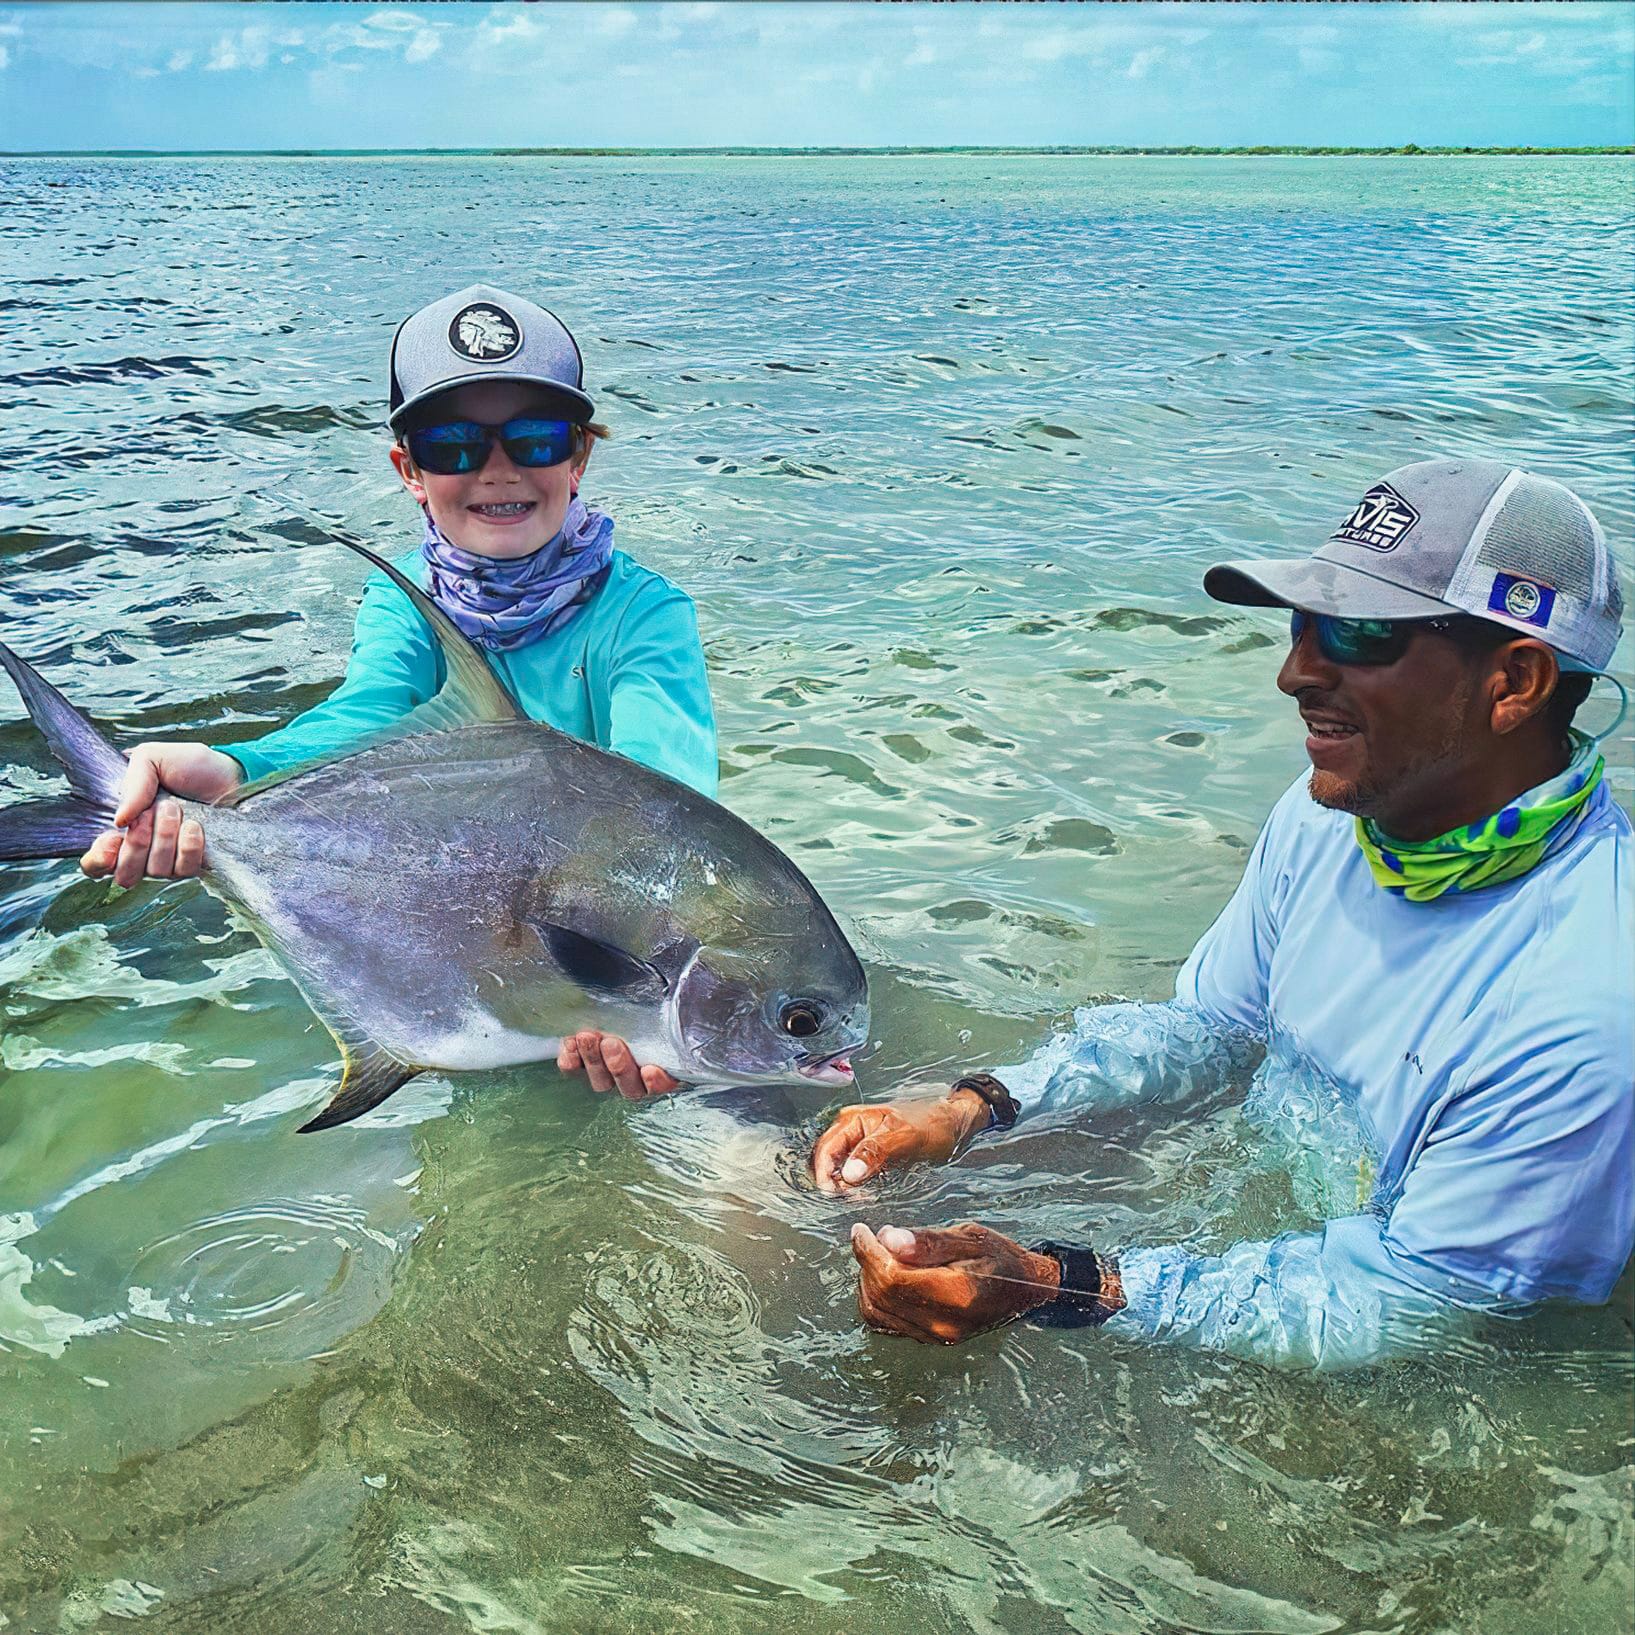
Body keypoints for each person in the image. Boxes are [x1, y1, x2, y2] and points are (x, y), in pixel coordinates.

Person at [817, 457, 1632, 1371]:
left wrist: (1061, 1286)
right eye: (1303, 623)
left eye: (1358, 632)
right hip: (1290, 1237)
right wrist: (975, 1109)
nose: (1294, 672)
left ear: (1514, 681)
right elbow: (1214, 1027)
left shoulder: (1583, 1004)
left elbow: (1425, 1302)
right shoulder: (1334, 817)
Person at [79, 284, 715, 1099]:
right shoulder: (406, 598)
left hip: (606, 984)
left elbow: (669, 799)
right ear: (407, 469)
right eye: (452, 445)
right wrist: (235, 771)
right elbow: (373, 716)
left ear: (579, 455)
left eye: (534, 437)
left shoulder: (642, 616)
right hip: (463, 966)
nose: (496, 470)